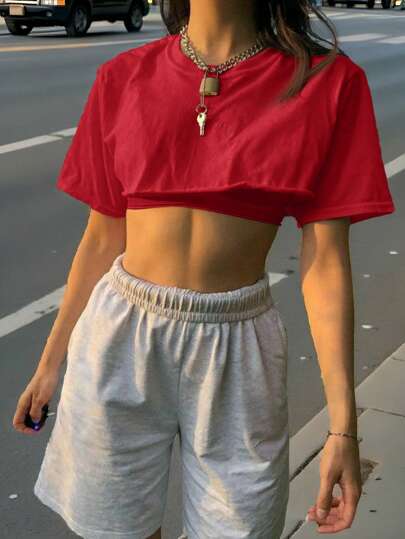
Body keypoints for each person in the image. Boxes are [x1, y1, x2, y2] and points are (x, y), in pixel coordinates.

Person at [13, 1, 395, 538]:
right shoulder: (124, 76)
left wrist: (343, 428)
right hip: (120, 336)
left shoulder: (327, 82)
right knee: (114, 529)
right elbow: (101, 238)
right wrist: (51, 363)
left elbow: (327, 260)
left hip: (237, 349)